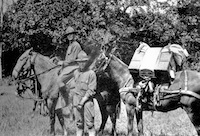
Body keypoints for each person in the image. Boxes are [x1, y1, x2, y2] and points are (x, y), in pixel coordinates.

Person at [55, 26, 83, 108]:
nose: (70, 36)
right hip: (69, 67)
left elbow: (72, 60)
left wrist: (62, 62)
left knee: (59, 80)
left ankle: (66, 100)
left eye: (71, 34)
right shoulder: (70, 45)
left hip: (74, 67)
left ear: (74, 35)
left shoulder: (76, 45)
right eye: (68, 35)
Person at [73, 51, 97, 136]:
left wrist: (82, 102)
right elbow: (75, 88)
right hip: (77, 101)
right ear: (77, 63)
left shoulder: (91, 74)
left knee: (90, 124)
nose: (82, 64)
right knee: (79, 124)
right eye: (80, 62)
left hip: (87, 102)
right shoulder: (76, 72)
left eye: (84, 62)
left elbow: (91, 90)